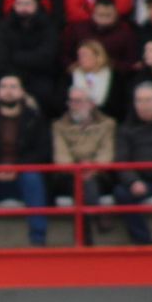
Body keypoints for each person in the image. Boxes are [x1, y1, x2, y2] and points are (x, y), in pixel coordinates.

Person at [0, 75, 53, 249]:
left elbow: (42, 152)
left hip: (23, 176)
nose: (8, 91)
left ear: (22, 92)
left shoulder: (35, 118)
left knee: (33, 177)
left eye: (13, 87)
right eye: (4, 86)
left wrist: (17, 167)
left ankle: (38, 239)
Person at [113, 82, 152, 244]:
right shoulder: (126, 129)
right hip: (142, 179)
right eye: (139, 100)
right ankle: (143, 241)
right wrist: (133, 181)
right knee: (121, 193)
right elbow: (121, 160)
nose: (143, 105)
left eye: (148, 100)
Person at [52, 85, 117, 231]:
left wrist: (92, 168)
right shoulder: (59, 126)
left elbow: (106, 153)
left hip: (99, 175)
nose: (74, 105)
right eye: (71, 101)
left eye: (79, 101)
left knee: (87, 184)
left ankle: (84, 236)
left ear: (91, 104)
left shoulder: (107, 124)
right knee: (81, 184)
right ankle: (97, 215)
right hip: (70, 175)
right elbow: (61, 156)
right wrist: (79, 169)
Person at [0, 0, 63, 117]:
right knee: (6, 88)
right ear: (14, 6)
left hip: (39, 75)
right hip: (10, 74)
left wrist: (16, 57)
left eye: (28, 4)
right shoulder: (3, 27)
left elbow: (47, 56)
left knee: (46, 92)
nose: (24, 7)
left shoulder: (47, 26)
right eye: (20, 3)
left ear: (36, 6)